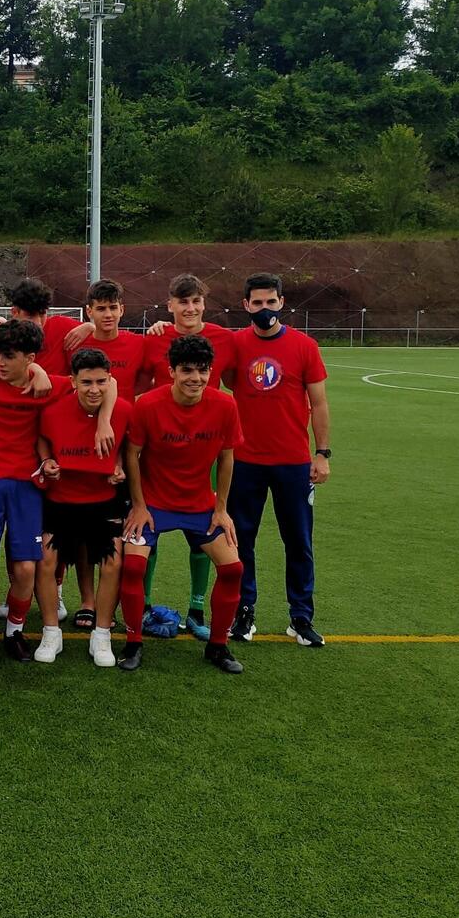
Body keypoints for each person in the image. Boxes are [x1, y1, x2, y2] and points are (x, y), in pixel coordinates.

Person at [0, 319, 114, 673]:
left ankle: (14, 632)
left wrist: (103, 420)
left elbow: (110, 383)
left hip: (27, 486)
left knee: (26, 568)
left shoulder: (48, 385)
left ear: (29, 358)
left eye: (9, 356)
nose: (0, 361)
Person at [117, 335, 246, 674]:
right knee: (133, 567)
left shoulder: (225, 406)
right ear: (172, 371)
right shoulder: (147, 404)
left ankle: (217, 646)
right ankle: (133, 642)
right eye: (187, 370)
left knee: (233, 569)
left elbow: (227, 458)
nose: (196, 378)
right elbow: (132, 455)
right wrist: (139, 505)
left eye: (203, 371)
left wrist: (221, 509)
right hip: (153, 505)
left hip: (201, 506)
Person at [225, 273, 331, 648]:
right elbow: (222, 380)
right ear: (246, 305)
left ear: (282, 303)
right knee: (241, 540)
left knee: (298, 541)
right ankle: (243, 612)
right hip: (244, 461)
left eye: (271, 302)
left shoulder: (304, 346)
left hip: (293, 462)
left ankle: (300, 617)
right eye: (257, 302)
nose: (264, 309)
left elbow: (319, 403)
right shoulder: (235, 344)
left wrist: (322, 453)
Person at [135, 273, 239, 641]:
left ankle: (197, 609)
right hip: (157, 453)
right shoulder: (154, 338)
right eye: (183, 302)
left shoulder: (225, 339)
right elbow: (136, 389)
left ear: (204, 304)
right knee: (147, 533)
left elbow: (237, 384)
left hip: (202, 453)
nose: (190, 308)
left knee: (204, 533)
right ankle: (144, 606)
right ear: (170, 305)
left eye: (196, 301)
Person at [37, 348, 132, 662]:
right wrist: (46, 460)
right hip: (61, 500)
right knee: (45, 561)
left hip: (103, 501)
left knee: (113, 562)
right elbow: (42, 439)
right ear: (73, 381)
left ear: (109, 380)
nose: (94, 389)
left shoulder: (123, 411)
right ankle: (51, 633)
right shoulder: (53, 412)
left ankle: (101, 636)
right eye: (87, 382)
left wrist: (120, 466)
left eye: (101, 381)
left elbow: (128, 447)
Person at [3, 278, 80, 374]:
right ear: (15, 312)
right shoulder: (2, 337)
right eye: (30, 316)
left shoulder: (62, 327)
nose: (38, 322)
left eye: (42, 314)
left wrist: (89, 327)